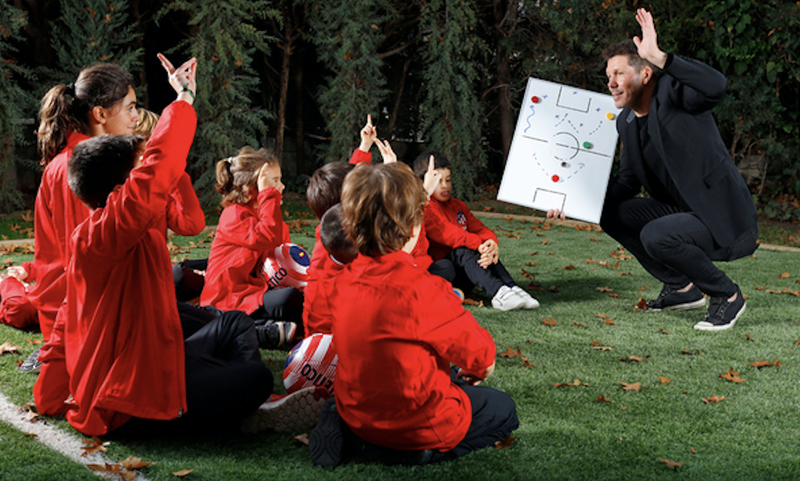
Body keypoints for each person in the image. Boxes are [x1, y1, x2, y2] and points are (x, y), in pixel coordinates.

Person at [32, 55, 313, 436]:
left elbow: (187, 217)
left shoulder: (121, 222)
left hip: (151, 350)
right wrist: (182, 100)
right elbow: (157, 170)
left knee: (230, 326)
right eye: (138, 170)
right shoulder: (108, 229)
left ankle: (229, 395)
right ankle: (237, 405)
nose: (144, 170)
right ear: (121, 191)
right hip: (127, 392)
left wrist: (47, 393)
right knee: (253, 379)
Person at [550, 9, 758, 331]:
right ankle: (681, 288)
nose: (611, 83)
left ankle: (727, 296)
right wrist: (575, 204)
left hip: (718, 215)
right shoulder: (627, 121)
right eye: (609, 75)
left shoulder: (675, 94)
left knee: (656, 234)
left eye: (619, 73)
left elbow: (716, 86)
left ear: (646, 75)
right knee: (611, 212)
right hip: (679, 212)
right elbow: (629, 181)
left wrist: (661, 57)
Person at [309, 162, 518, 467]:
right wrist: (478, 371)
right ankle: (418, 450)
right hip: (416, 426)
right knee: (503, 408)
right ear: (412, 227)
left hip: (357, 414)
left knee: (428, 368)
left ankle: (343, 425)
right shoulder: (424, 289)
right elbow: (482, 358)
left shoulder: (343, 278)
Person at [2, 63, 142, 374]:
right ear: (100, 114)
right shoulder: (82, 165)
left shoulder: (80, 158)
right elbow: (86, 262)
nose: (136, 117)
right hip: (77, 316)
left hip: (74, 306)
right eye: (130, 107)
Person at [199, 146, 301, 348]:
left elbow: (280, 252)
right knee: (289, 300)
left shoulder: (265, 216)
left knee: (299, 299)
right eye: (273, 182)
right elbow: (268, 237)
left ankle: (269, 328)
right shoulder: (234, 216)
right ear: (252, 186)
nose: (280, 187)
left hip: (254, 291)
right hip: (229, 298)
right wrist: (269, 197)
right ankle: (252, 328)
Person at [414, 152, 539, 311]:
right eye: (438, 182)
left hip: (465, 272)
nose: (444, 186)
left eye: (448, 180)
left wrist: (490, 243)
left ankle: (511, 287)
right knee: (463, 249)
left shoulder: (458, 206)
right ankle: (498, 293)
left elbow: (479, 228)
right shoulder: (423, 207)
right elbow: (446, 233)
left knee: (480, 247)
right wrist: (478, 244)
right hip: (440, 273)